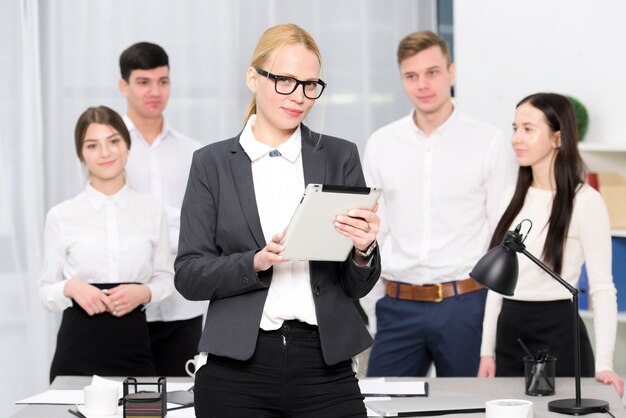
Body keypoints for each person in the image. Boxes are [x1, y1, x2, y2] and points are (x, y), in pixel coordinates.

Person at [175, 23, 382, 417]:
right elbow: (188, 275)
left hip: (324, 363)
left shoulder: (340, 156)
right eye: (285, 81)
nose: (300, 97)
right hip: (236, 366)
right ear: (253, 78)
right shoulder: (212, 164)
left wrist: (363, 249)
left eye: (310, 84)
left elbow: (358, 285)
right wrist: (255, 261)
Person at [361, 30, 517, 377]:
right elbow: (375, 232)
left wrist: (492, 324)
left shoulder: (489, 142)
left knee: (470, 409)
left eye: (432, 72)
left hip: (466, 305)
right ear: (402, 79)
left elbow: (502, 239)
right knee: (382, 405)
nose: (423, 85)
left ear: (451, 72)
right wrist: (374, 309)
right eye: (411, 76)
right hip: (397, 305)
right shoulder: (382, 144)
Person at [478, 92, 624, 396]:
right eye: (515, 128)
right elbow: (497, 286)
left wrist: (605, 364)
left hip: (560, 332)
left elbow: (602, 287)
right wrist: (486, 352)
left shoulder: (585, 202)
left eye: (528, 129)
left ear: (558, 138)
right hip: (510, 331)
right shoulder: (510, 198)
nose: (516, 138)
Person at [38, 106, 174, 382]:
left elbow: (165, 280)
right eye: (92, 145)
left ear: (127, 145)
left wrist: (144, 293)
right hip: (76, 352)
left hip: (134, 351)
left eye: (113, 141)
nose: (105, 153)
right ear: (81, 155)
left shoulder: (152, 211)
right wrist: (70, 287)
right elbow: (45, 291)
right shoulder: (61, 215)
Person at [118, 42, 206, 376]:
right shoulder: (108, 148)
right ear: (123, 86)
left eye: (163, 81)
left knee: (183, 402)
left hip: (182, 306)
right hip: (126, 305)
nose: (155, 91)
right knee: (123, 404)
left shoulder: (193, 152)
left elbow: (200, 226)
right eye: (143, 82)